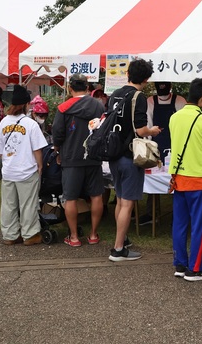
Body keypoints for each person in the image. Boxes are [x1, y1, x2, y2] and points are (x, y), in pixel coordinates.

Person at [108, 59, 162, 261]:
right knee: (128, 204)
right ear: (146, 79)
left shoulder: (115, 94)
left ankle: (122, 239)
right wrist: (153, 131)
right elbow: (140, 130)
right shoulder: (138, 96)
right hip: (131, 154)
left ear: (128, 73)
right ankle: (118, 249)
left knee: (120, 200)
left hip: (114, 153)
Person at [169, 77, 202, 281]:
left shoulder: (175, 117)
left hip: (178, 177)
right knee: (199, 224)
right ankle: (196, 268)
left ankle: (180, 263)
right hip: (198, 179)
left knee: (179, 223)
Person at [52, 74, 106, 247]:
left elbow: (58, 134)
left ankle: (74, 237)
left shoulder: (64, 107)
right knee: (96, 195)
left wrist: (57, 150)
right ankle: (93, 234)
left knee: (71, 197)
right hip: (94, 156)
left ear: (70, 88)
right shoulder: (98, 106)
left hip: (71, 157)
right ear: (88, 88)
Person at [0, 85, 46, 245]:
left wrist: (8, 162)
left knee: (8, 205)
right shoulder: (30, 124)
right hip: (27, 171)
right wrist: (40, 165)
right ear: (25, 104)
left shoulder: (3, 123)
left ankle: (10, 235)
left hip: (8, 171)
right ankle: (30, 235)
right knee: (28, 204)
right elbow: (37, 150)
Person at [141, 82, 186, 225]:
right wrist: (148, 145)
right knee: (152, 178)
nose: (163, 94)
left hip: (175, 144)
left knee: (177, 178)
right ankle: (152, 213)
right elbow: (148, 122)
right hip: (156, 144)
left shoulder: (180, 101)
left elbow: (183, 124)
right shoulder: (150, 101)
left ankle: (179, 213)